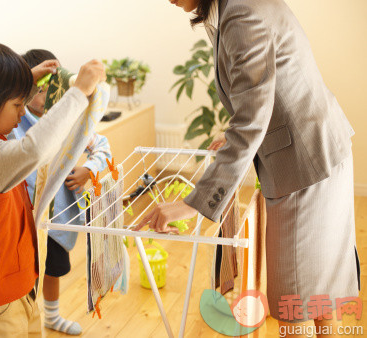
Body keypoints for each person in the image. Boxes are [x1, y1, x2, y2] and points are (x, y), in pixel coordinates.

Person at [135, 0, 359, 336]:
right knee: (318, 298)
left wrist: (191, 203)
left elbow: (250, 121)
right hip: (320, 153)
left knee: (295, 303)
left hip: (303, 166)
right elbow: (260, 99)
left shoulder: (242, 14)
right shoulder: (235, 8)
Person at [0, 41, 105, 337]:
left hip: (16, 289)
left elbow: (8, 118)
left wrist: (24, 82)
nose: (22, 111)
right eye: (17, 104)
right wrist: (78, 93)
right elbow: (34, 149)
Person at [10, 48, 112, 335]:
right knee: (23, 272)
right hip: (23, 215)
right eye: (37, 91)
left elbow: (101, 146)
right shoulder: (14, 123)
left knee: (53, 268)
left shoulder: (68, 119)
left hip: (56, 216)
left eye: (50, 90)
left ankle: (52, 316)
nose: (44, 98)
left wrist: (88, 169)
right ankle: (25, 318)